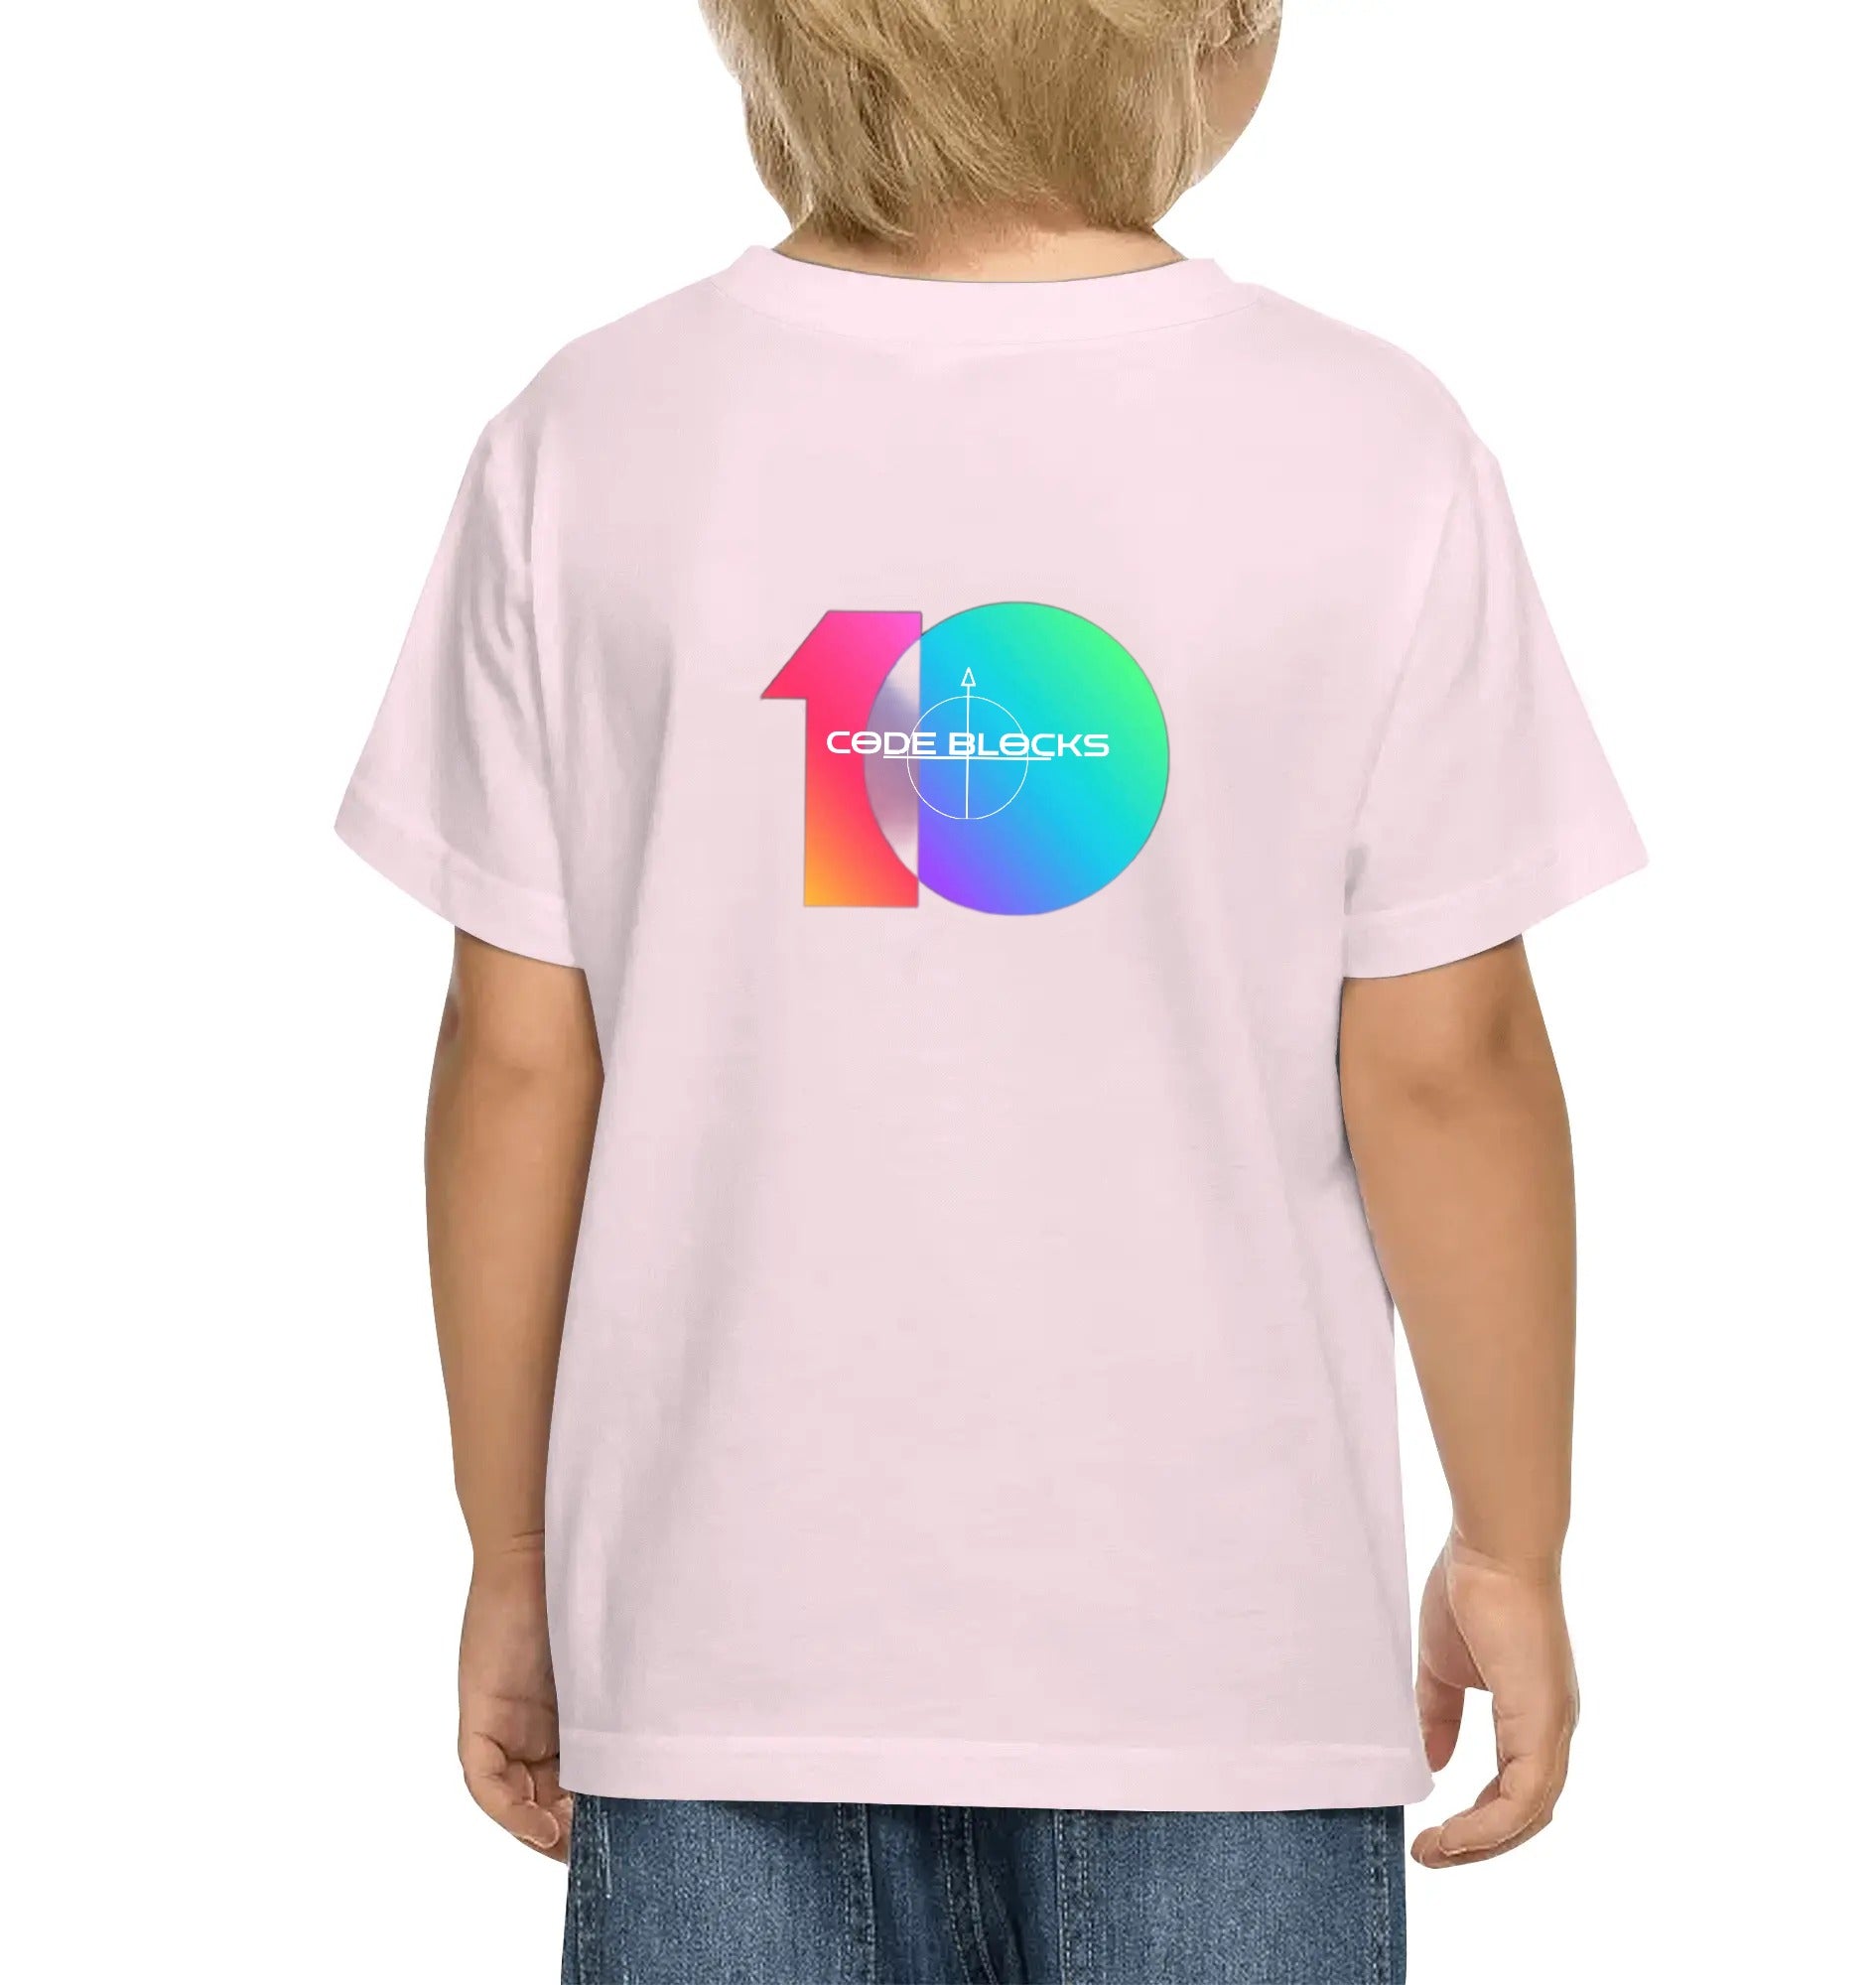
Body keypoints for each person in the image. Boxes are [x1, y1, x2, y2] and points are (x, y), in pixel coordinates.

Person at [336, 3, 1644, 1977]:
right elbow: (1444, 1065)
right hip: (1217, 1676)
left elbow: (518, 1065)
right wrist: (1511, 1545)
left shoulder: (595, 437)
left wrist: (513, 1555)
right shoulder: (1365, 445)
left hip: (715, 1651)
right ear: (1211, 33)